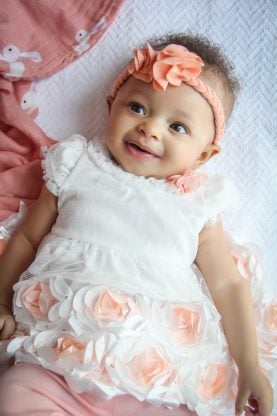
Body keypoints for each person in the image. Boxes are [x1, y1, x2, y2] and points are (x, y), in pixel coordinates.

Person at [0, 33, 275, 416]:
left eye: (177, 127)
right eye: (137, 107)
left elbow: (228, 284)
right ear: (111, 106)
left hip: (153, 383)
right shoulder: (77, 164)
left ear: (204, 155)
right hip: (55, 367)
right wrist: (1, 298)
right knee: (12, 393)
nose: (151, 129)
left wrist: (249, 365)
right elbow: (28, 238)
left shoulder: (197, 204)